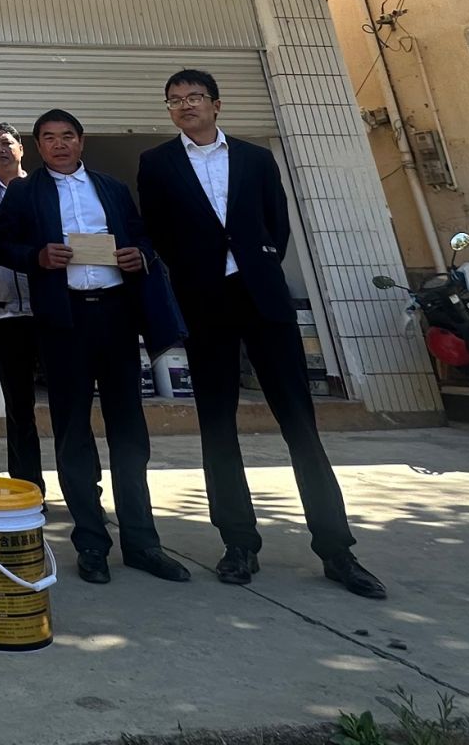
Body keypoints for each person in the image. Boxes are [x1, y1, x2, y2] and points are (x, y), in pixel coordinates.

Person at [138, 70, 385, 600]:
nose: (185, 106)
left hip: (264, 298)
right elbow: (156, 229)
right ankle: (238, 542)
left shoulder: (254, 157)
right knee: (217, 425)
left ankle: (336, 549)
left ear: (216, 104)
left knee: (299, 421)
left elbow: (277, 222)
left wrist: (257, 262)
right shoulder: (157, 163)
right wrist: (195, 271)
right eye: (175, 100)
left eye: (194, 97)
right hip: (205, 303)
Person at [0, 110, 191, 585]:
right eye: (49, 138)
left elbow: (142, 235)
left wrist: (138, 254)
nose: (59, 144)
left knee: (129, 429)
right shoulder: (26, 192)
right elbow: (3, 245)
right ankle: (90, 542)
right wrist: (37, 256)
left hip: (116, 313)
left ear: (81, 141)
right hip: (63, 319)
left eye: (67, 136)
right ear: (38, 146)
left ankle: (142, 542)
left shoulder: (110, 187)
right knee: (72, 432)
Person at [0, 122, 43, 496]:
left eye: (6, 143)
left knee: (69, 404)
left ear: (21, 148)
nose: (0, 150)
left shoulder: (42, 190)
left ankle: (82, 490)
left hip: (47, 310)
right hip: (3, 314)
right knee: (19, 406)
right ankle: (27, 487)